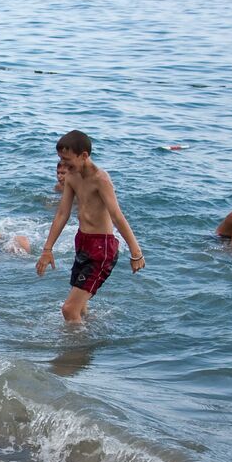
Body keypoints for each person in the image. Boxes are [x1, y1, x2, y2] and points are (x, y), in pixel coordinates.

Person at [36, 130, 145, 322]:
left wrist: (136, 253)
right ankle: (85, 338)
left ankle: (76, 351)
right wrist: (47, 248)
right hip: (82, 242)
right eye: (60, 159)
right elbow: (62, 213)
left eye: (67, 159)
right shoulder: (71, 176)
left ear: (84, 156)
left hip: (102, 249)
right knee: (80, 306)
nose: (63, 165)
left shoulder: (101, 180)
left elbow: (117, 216)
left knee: (69, 309)